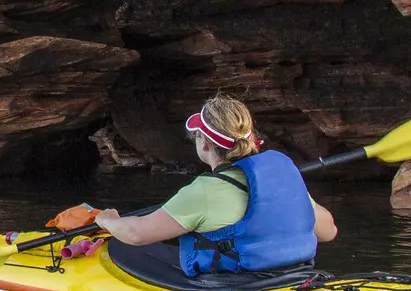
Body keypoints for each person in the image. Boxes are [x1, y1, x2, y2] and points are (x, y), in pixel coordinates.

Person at [88, 93, 336, 279]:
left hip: (234, 287)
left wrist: (107, 220)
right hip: (293, 277)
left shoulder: (204, 191)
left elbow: (137, 234)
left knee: (125, 247)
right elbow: (328, 232)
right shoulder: (283, 178)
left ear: (204, 144)